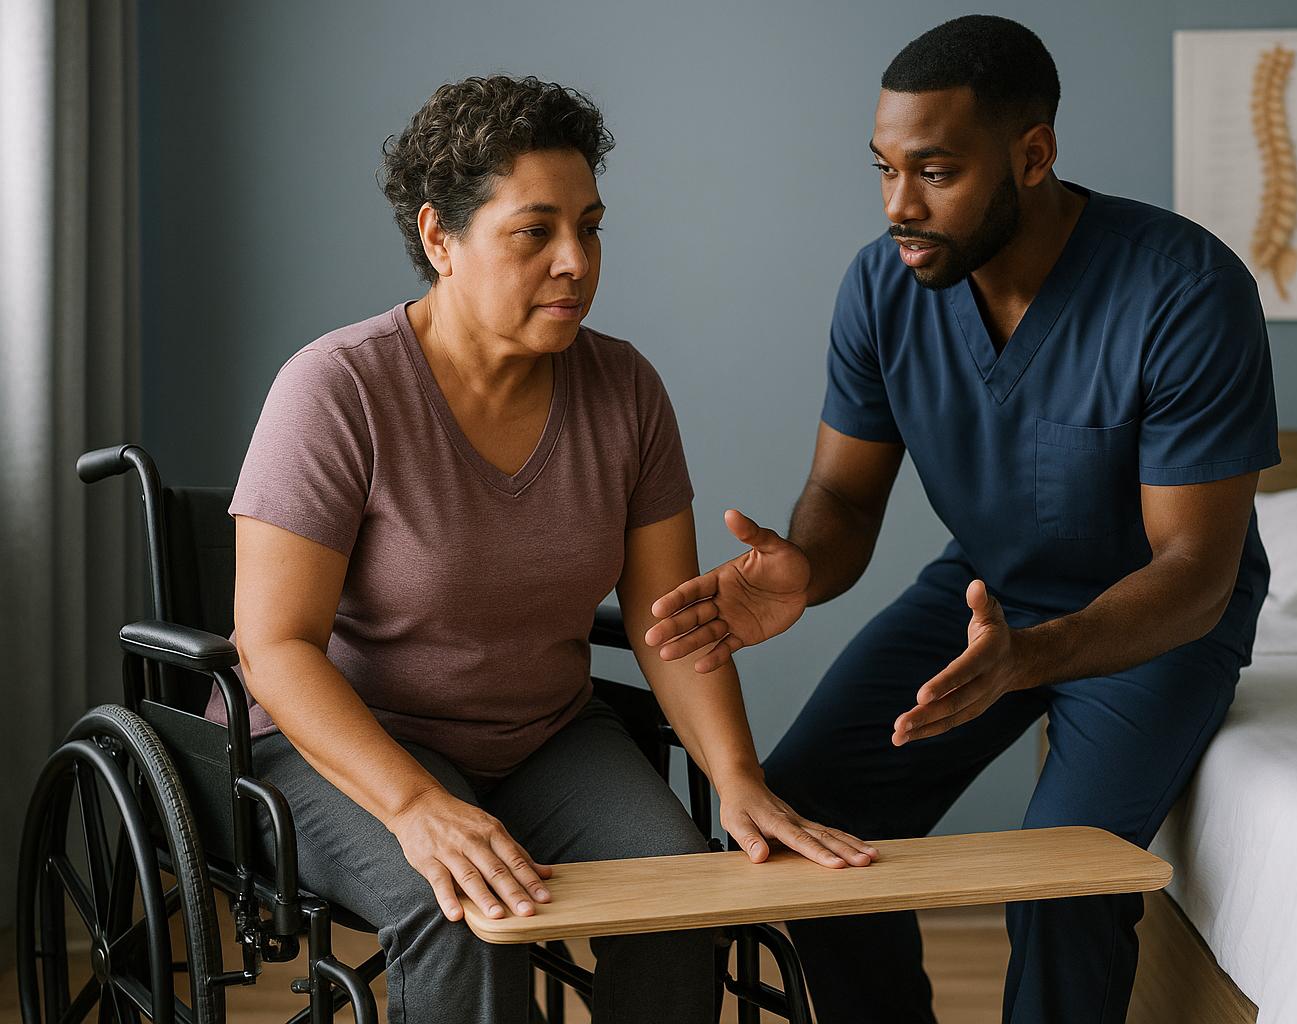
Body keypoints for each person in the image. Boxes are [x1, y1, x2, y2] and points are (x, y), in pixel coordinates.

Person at [644, 16, 1278, 1024]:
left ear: (1033, 156)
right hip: (985, 587)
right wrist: (803, 567)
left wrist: (1033, 657)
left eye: (935, 172)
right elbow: (847, 500)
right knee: (804, 808)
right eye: (886, 169)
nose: (901, 206)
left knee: (1064, 884)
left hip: (1153, 620)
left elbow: (1198, 566)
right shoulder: (882, 287)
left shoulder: (1185, 291)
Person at [218, 74, 875, 1024]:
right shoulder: (337, 391)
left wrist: (739, 780)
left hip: (542, 737)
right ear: (441, 238)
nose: (577, 261)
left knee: (679, 894)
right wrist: (413, 808)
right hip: (348, 745)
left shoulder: (626, 390)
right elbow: (274, 647)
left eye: (591, 227)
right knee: (464, 911)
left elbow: (668, 627)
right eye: (536, 232)